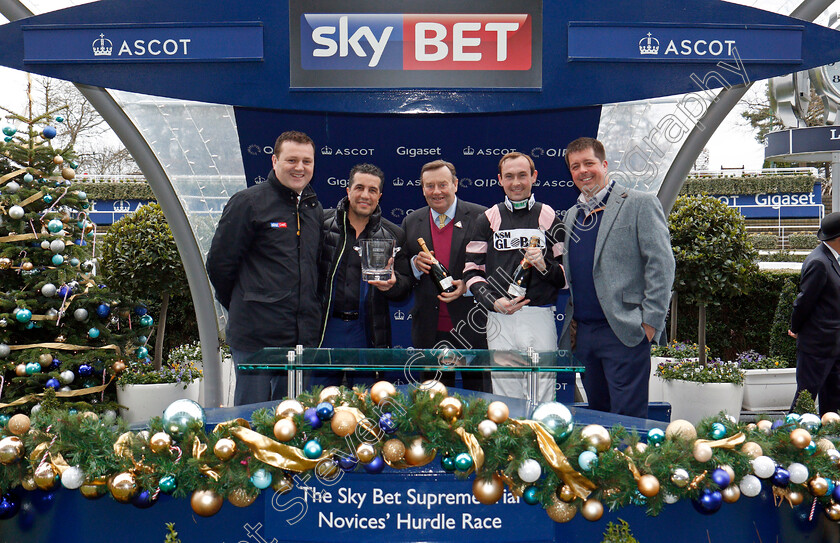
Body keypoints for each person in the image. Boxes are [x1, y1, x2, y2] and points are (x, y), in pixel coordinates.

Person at [559, 137, 675, 419]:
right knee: (598, 418)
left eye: (589, 163)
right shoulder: (573, 215)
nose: (583, 171)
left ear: (605, 165)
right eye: (576, 166)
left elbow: (662, 265)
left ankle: (632, 464)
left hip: (625, 333)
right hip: (585, 337)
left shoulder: (639, 203)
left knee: (628, 420)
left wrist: (649, 324)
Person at [206, 130, 323, 405]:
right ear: (274, 161)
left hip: (300, 339)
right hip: (255, 340)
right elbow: (219, 265)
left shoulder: (313, 208)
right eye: (292, 160)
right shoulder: (248, 202)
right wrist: (243, 302)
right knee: (251, 422)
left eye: (307, 161)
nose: (300, 167)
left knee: (293, 421)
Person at [463, 152, 566, 402]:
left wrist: (543, 266)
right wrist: (492, 302)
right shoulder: (487, 218)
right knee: (505, 397)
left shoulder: (549, 216)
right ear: (500, 180)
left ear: (534, 177)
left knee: (542, 392)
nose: (516, 182)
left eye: (522, 175)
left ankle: (542, 440)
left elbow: (564, 277)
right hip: (499, 317)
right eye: (509, 176)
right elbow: (471, 272)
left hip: (538, 315)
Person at [316, 163, 411, 386]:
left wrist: (393, 286)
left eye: (372, 190)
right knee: (317, 402)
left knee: (365, 402)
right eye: (359, 188)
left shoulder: (394, 234)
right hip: (325, 329)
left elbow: (405, 285)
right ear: (348, 191)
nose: (365, 195)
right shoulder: (321, 225)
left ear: (380, 195)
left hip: (365, 332)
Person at [402, 160, 489, 392]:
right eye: (430, 186)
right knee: (433, 407)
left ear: (456, 185)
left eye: (443, 184)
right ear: (422, 189)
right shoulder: (411, 222)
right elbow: (402, 275)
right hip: (430, 332)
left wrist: (469, 286)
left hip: (473, 328)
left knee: (480, 402)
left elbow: (495, 267)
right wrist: (414, 266)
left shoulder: (482, 217)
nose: (437, 191)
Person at [788, 212, 840, 416]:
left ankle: (830, 440)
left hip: (832, 346)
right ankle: (789, 441)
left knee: (833, 400)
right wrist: (795, 328)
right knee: (805, 399)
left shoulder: (831, 259)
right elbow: (803, 301)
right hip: (817, 347)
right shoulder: (819, 262)